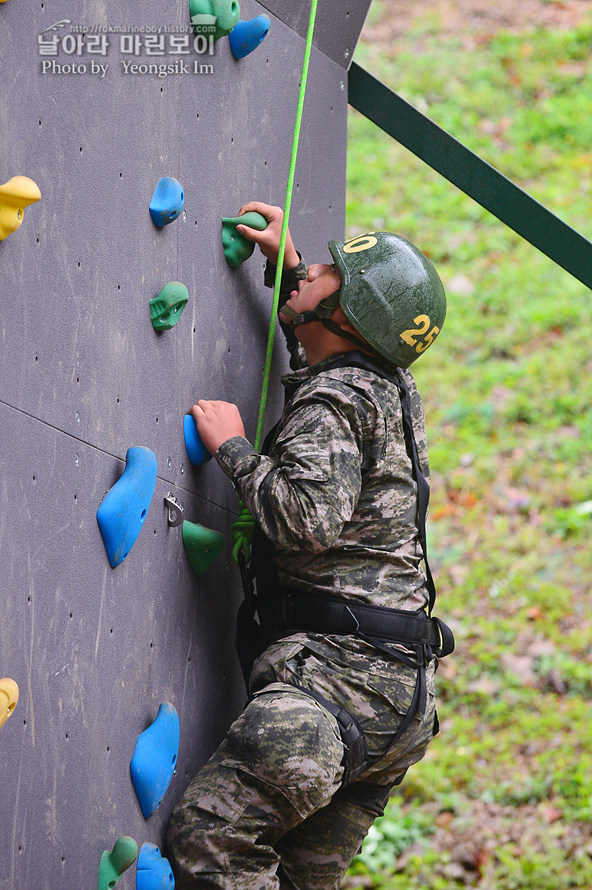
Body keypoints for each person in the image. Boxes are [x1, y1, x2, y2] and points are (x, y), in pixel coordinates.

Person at [166, 202, 454, 890]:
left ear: (348, 317)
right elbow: (338, 362)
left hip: (331, 694)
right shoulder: (388, 386)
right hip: (398, 707)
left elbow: (305, 520)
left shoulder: (333, 403)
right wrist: (293, 272)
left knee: (214, 842)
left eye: (332, 274)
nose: (317, 266)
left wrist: (233, 447)